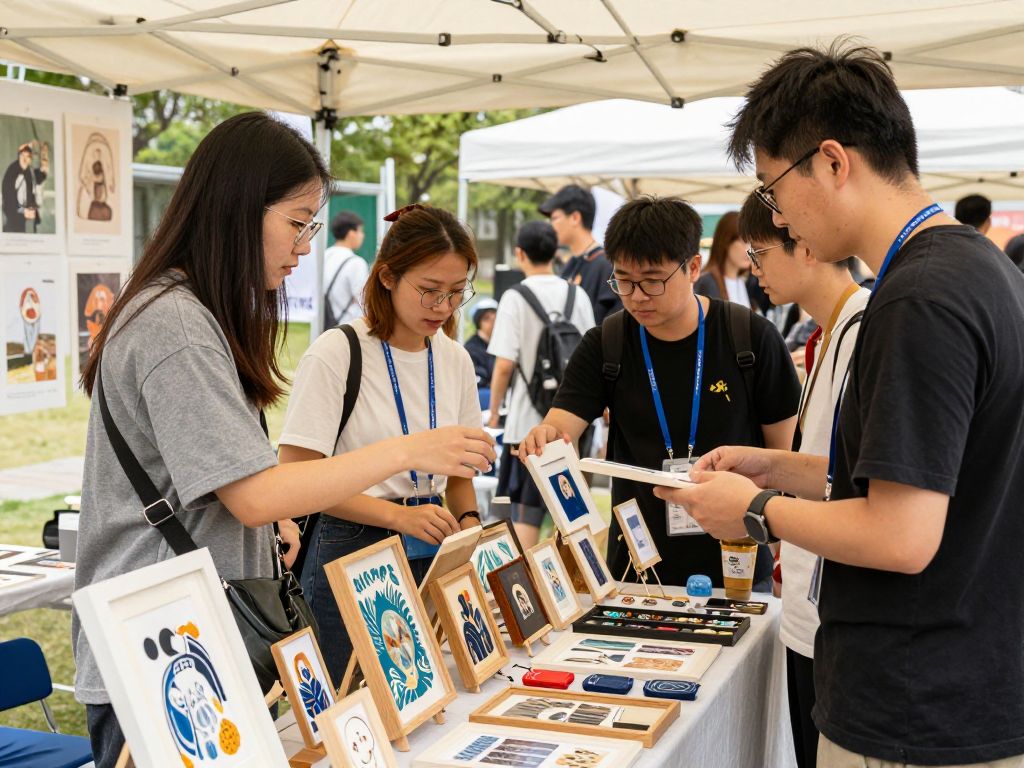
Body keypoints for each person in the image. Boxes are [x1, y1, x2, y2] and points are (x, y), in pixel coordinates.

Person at [72, 114, 495, 768]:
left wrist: (267, 532)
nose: (304, 245)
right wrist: (411, 451)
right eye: (297, 222)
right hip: (162, 648)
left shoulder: (193, 312)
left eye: (311, 225)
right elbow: (256, 493)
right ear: (237, 208)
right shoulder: (177, 325)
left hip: (197, 632)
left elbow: (231, 485)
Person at [658, 43, 1024, 768]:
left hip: (914, 710)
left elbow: (901, 534)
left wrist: (754, 512)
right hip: (965, 684)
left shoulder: (917, 297)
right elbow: (925, 474)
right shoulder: (978, 271)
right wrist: (777, 468)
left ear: (831, 162)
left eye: (772, 187)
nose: (779, 215)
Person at [521, 196, 800, 589]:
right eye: (624, 281)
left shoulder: (749, 338)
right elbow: (561, 424)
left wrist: (783, 539)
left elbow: (785, 460)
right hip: (637, 569)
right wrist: (546, 437)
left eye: (652, 281)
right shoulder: (607, 344)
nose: (636, 296)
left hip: (737, 561)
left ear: (693, 268)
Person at [279, 203, 486, 683]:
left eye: (457, 293)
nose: (443, 307)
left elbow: (460, 476)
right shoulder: (338, 352)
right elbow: (295, 480)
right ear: (388, 277)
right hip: (350, 546)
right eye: (429, 291)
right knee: (346, 700)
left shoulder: (454, 359)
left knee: (423, 695)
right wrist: (397, 516)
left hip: (432, 540)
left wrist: (469, 524)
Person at [738, 192, 870, 768]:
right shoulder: (826, 333)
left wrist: (758, 502)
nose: (754, 268)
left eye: (760, 252)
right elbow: (829, 468)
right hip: (804, 605)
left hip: (832, 613)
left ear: (807, 243)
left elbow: (857, 486)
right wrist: (762, 464)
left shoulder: (865, 330)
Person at [487, 220, 594, 548]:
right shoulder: (578, 295)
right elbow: (591, 355)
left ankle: (532, 591)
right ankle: (574, 585)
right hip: (575, 424)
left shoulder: (514, 297)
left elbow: (505, 365)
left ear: (520, 253)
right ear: (555, 252)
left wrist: (493, 414)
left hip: (526, 424)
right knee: (573, 513)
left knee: (524, 513)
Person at [539, 184, 621, 323]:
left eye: (554, 218)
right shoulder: (572, 263)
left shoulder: (605, 266)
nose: (551, 226)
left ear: (575, 217)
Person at [694, 211, 770, 314]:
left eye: (752, 244)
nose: (749, 250)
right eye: (744, 242)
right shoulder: (708, 282)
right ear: (726, 241)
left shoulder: (742, 281)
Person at [323, 210, 368, 327]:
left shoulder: (324, 256)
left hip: (324, 327)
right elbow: (365, 301)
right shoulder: (356, 263)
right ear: (351, 233)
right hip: (347, 330)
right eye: (361, 231)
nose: (362, 236)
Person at [2, 141, 49, 233]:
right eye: (22, 155)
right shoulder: (11, 172)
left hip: (30, 221)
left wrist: (44, 154)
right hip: (14, 220)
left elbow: (43, 172)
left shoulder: (30, 172)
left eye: (27, 156)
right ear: (18, 156)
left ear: (31, 159)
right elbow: (8, 199)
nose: (24, 159)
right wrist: (23, 211)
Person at [464, 298, 497, 405]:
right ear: (479, 323)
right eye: (487, 318)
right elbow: (477, 381)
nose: (493, 322)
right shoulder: (471, 348)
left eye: (496, 318)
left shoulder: (500, 344)